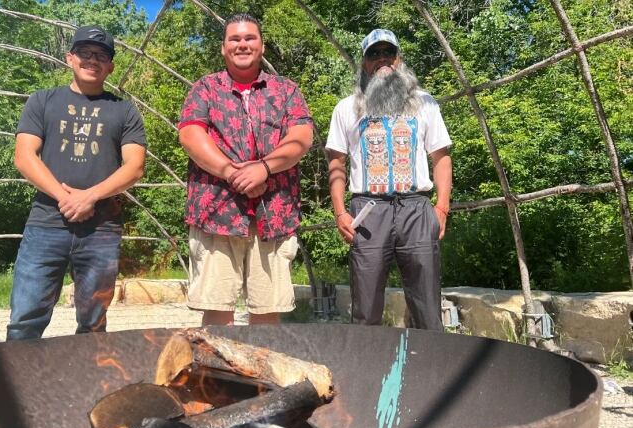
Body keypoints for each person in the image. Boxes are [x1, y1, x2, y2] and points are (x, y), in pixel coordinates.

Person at [7, 25, 147, 340]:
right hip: (46, 223)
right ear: (70, 58)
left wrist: (90, 197)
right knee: (25, 319)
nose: (92, 60)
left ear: (110, 66)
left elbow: (135, 167)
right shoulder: (42, 101)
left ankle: (89, 385)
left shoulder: (124, 110)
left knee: (93, 323)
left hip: (101, 229)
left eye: (101, 55)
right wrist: (65, 198)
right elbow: (24, 157)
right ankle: (20, 386)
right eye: (84, 52)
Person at [178, 13, 314, 326]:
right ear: (224, 48)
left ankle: (260, 374)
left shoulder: (286, 90)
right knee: (216, 308)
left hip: (274, 213)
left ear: (262, 46)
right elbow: (190, 134)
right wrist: (232, 173)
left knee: (268, 310)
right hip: (217, 213)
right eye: (234, 39)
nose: (243, 44)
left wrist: (264, 169)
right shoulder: (205, 88)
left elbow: (301, 137)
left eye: (250, 38)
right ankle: (215, 374)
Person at [325, 29, 453, 330]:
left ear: (399, 59)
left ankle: (432, 369)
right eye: (373, 53)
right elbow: (336, 161)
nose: (382, 59)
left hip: (416, 208)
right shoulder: (346, 108)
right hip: (368, 212)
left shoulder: (425, 103)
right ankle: (366, 371)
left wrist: (441, 208)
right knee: (365, 306)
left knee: (427, 305)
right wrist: (341, 211)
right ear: (363, 62)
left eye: (388, 53)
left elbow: (441, 157)